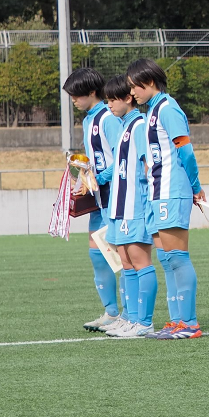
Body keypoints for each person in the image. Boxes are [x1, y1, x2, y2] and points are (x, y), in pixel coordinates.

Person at [128, 58, 205, 339]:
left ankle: (190, 323)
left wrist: (196, 186)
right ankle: (176, 321)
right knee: (166, 258)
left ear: (148, 82)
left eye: (134, 87)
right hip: (157, 192)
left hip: (172, 191)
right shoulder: (153, 111)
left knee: (178, 257)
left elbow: (186, 151)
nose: (132, 93)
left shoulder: (168, 109)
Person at [63, 67, 119, 332]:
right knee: (97, 255)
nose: (73, 99)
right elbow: (97, 158)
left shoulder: (109, 117)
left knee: (121, 257)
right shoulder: (88, 120)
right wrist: (83, 179)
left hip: (116, 197)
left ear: (92, 91)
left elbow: (122, 155)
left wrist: (102, 177)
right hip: (98, 198)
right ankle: (111, 313)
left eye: (76, 94)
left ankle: (132, 316)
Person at [101, 76, 155, 339]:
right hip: (119, 206)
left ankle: (144, 322)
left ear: (128, 98)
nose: (108, 104)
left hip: (136, 206)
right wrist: (97, 176)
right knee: (125, 263)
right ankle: (130, 317)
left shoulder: (140, 126)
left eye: (112, 99)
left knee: (140, 262)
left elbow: (149, 164)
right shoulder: (124, 126)